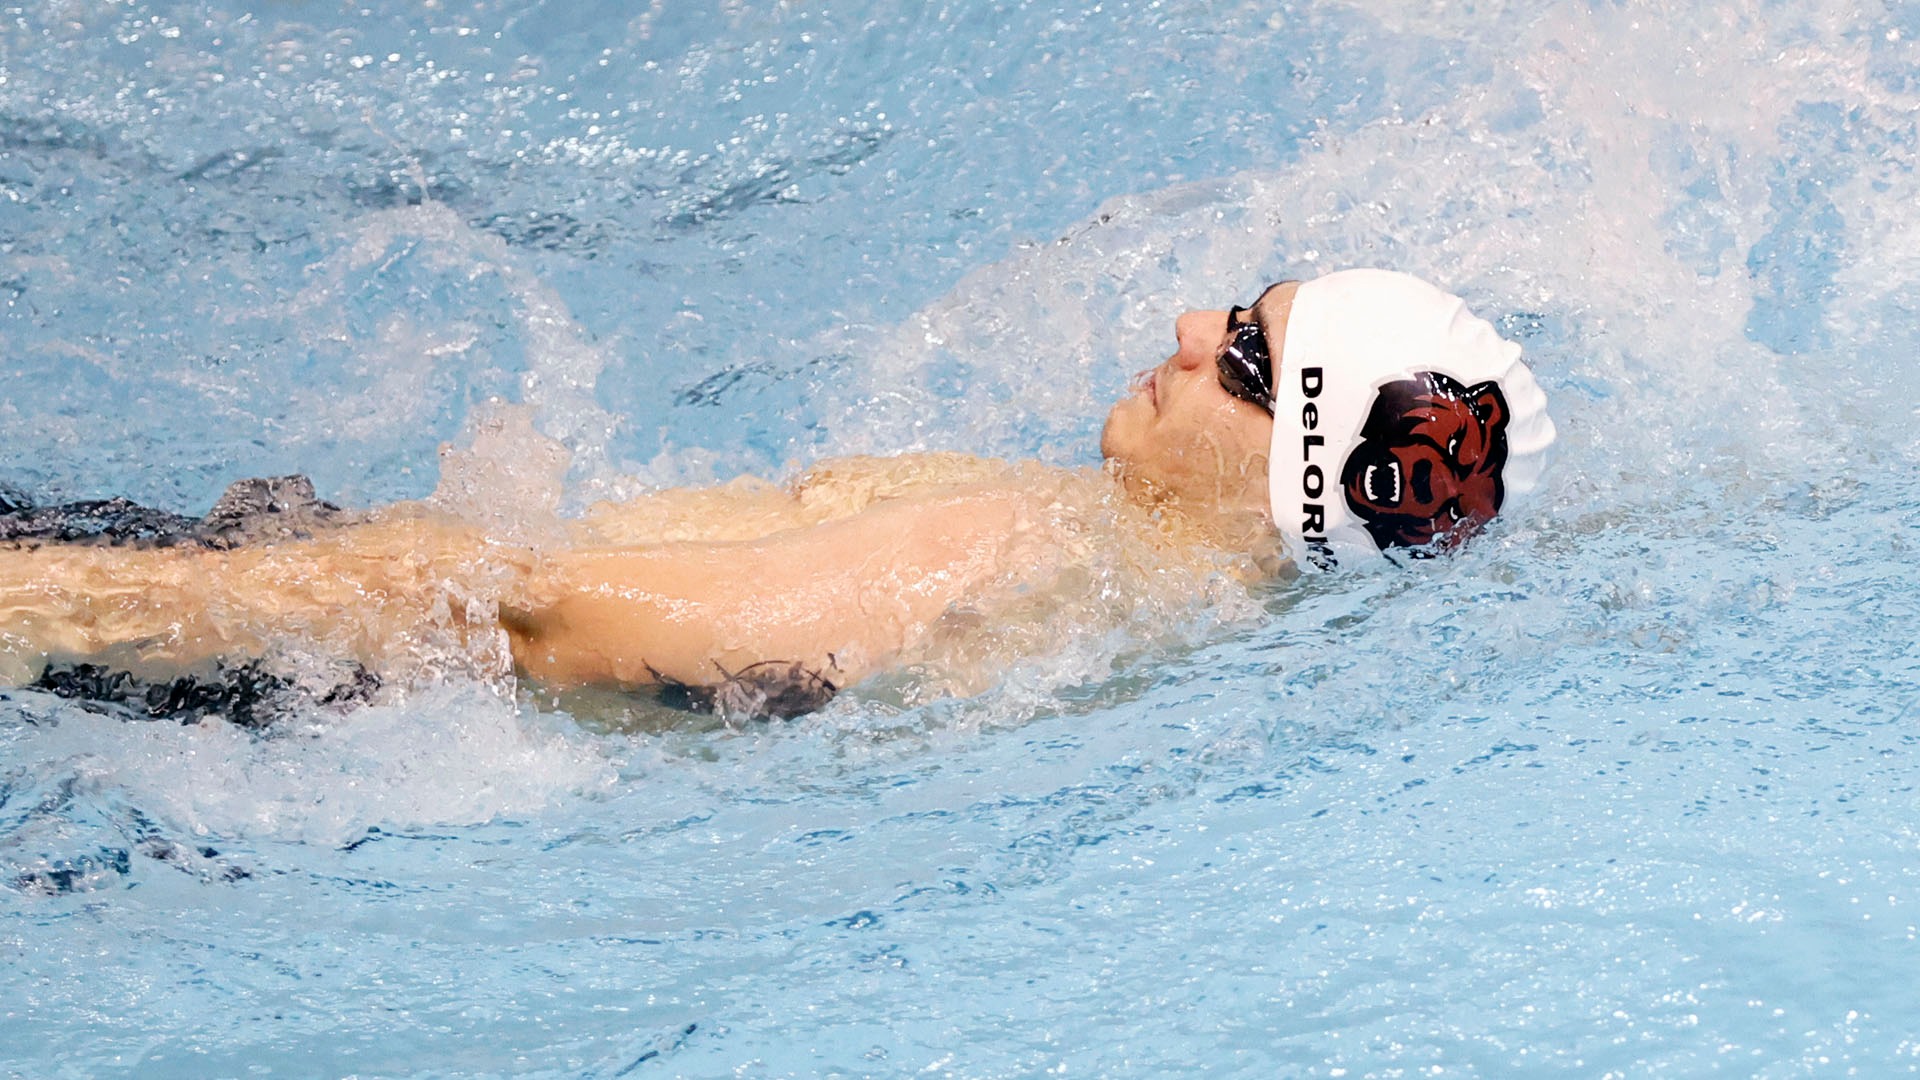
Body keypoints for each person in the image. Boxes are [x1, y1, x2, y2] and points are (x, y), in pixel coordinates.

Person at [0, 269, 1555, 724]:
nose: (1180, 329)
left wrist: (83, 607)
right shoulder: (1153, 587)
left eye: (1239, 355)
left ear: (1298, 473)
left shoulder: (1028, 552)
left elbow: (542, 612)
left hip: (287, 656)